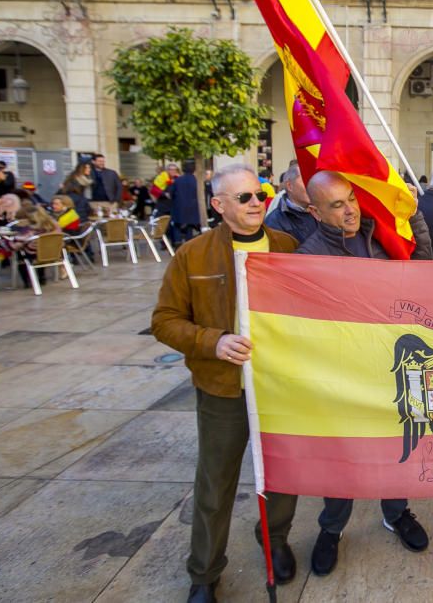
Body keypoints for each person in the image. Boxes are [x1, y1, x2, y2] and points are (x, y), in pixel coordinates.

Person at [151, 164, 301, 603]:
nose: (258, 204)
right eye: (245, 198)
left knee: (281, 477)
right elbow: (163, 321)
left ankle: (274, 540)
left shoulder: (288, 248)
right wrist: (212, 342)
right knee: (215, 485)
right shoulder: (193, 255)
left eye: (261, 194)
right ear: (219, 205)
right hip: (221, 388)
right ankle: (205, 573)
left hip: (280, 386)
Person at [295, 170, 432, 575]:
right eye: (336, 205)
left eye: (351, 198)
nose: (350, 209)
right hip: (342, 377)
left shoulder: (380, 236)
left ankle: (397, 512)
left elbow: (420, 268)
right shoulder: (308, 257)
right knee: (343, 455)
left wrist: (416, 215)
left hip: (389, 368)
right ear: (315, 212)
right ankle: (332, 528)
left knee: (396, 445)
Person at [264, 162, 318, 244]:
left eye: (312, 180)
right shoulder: (275, 222)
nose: (311, 186)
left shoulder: (321, 214)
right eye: (305, 180)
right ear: (289, 186)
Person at [169, 162, 201, 244]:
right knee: (189, 227)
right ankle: (188, 243)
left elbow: (171, 193)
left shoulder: (178, 180)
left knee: (177, 226)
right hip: (193, 207)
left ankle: (178, 242)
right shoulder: (196, 181)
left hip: (179, 207)